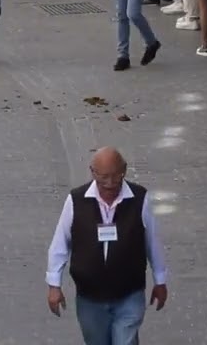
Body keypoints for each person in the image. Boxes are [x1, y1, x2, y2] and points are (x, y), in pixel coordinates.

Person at [45, 147, 169, 345]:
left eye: (115, 176)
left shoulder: (139, 199)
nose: (110, 184)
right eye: (103, 177)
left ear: (125, 170)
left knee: (125, 340)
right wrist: (54, 286)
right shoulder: (76, 200)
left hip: (130, 293)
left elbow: (152, 242)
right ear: (92, 172)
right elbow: (60, 244)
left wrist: (160, 281)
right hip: (90, 297)